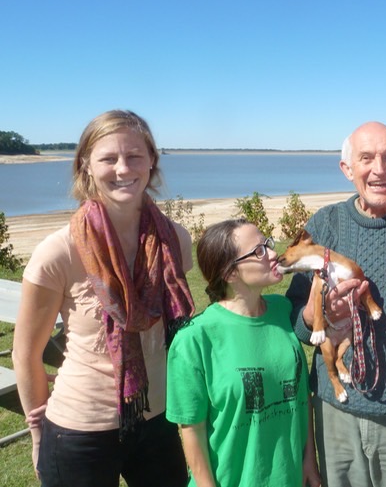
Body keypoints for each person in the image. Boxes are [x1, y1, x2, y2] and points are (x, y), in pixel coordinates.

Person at [12, 110, 195, 487]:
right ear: (86, 167)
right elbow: (25, 353)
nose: (123, 168)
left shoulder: (175, 241)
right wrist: (36, 433)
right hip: (79, 429)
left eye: (135, 156)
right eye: (108, 158)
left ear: (152, 163)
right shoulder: (59, 252)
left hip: (158, 418)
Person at [286, 121, 386, 487]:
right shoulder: (324, 224)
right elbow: (298, 321)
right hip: (335, 414)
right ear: (347, 169)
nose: (379, 169)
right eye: (366, 158)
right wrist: (324, 312)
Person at [166, 219, 320, 487]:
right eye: (259, 251)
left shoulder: (282, 311)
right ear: (229, 273)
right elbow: (191, 430)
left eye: (268, 244)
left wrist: (309, 460)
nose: (273, 254)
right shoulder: (194, 339)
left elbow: (301, 395)